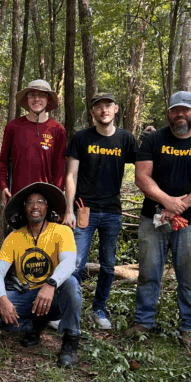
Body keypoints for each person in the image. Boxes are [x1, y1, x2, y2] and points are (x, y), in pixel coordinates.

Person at [127, 91, 191, 344]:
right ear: (168, 112)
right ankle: (143, 322)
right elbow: (142, 176)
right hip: (153, 219)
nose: (180, 114)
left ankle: (190, 327)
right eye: (175, 110)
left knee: (189, 277)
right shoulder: (153, 139)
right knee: (148, 273)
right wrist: (165, 201)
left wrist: (179, 205)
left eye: (185, 109)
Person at [0, 183, 83, 368]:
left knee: (72, 284)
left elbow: (70, 262)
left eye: (40, 202)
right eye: (29, 203)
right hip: (27, 296)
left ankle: (70, 340)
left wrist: (51, 284)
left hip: (53, 298)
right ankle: (33, 326)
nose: (35, 206)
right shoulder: (14, 237)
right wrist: (3, 300)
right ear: (24, 209)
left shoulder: (62, 231)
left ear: (47, 207)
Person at [63, 92, 137, 330]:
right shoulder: (81, 138)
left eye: (108, 105)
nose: (104, 110)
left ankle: (98, 310)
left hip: (113, 212)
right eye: (99, 107)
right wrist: (69, 210)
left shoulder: (126, 139)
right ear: (92, 113)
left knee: (107, 265)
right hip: (85, 210)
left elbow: (145, 168)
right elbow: (71, 175)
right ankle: (68, 310)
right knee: (74, 264)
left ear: (116, 110)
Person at [0, 79, 67, 203]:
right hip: (17, 197)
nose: (36, 99)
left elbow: (60, 168)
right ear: (26, 98)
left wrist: (56, 196)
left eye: (41, 95)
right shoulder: (13, 127)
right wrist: (3, 186)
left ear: (48, 99)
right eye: (32, 95)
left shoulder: (58, 130)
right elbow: (3, 161)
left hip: (46, 199)